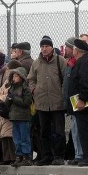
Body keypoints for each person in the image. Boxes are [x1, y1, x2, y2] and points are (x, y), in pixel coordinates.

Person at [28, 36, 68, 166]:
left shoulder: (60, 61)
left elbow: (66, 79)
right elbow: (31, 79)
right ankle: (46, 155)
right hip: (41, 103)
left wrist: (62, 94)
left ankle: (59, 156)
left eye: (47, 46)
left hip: (57, 103)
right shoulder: (36, 63)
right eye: (42, 46)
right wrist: (34, 90)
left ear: (52, 47)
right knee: (43, 131)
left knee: (59, 132)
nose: (44, 49)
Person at [67, 38, 88, 166]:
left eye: (74, 48)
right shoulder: (84, 61)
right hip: (80, 102)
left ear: (77, 50)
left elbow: (87, 83)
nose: (73, 50)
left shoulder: (85, 62)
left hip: (83, 103)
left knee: (84, 130)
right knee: (83, 130)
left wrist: (82, 99)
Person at [5, 67, 33, 167]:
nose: (14, 78)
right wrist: (7, 99)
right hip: (14, 116)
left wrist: (14, 98)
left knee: (24, 138)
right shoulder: (11, 88)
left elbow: (27, 102)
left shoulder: (25, 89)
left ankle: (27, 156)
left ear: (21, 77)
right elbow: (8, 104)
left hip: (23, 116)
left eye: (16, 76)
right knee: (16, 138)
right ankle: (19, 156)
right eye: (13, 76)